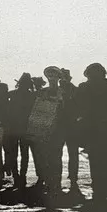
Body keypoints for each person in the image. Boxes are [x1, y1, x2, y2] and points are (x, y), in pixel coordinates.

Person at [75, 63, 107, 203]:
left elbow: (78, 109)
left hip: (97, 135)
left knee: (98, 165)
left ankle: (101, 192)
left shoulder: (85, 88)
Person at [26, 66, 65, 199]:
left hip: (58, 130)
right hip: (43, 130)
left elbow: (66, 110)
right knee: (44, 157)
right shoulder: (42, 92)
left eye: (54, 75)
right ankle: (46, 181)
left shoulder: (63, 92)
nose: (51, 78)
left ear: (59, 77)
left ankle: (56, 184)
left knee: (56, 157)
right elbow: (36, 111)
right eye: (49, 75)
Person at [5, 72, 35, 189]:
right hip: (25, 128)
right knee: (24, 154)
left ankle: (16, 176)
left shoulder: (12, 94)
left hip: (13, 128)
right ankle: (22, 176)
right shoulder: (32, 96)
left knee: (14, 154)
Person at [60, 68, 81, 196]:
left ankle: (73, 178)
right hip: (64, 126)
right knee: (69, 154)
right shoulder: (73, 90)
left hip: (70, 126)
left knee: (72, 154)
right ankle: (70, 178)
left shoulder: (75, 91)